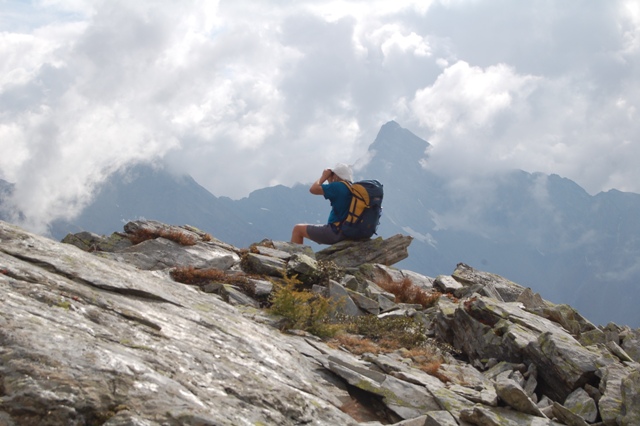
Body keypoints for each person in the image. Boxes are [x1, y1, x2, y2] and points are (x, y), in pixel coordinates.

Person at [291, 163, 353, 245]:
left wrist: (324, 177)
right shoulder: (350, 187)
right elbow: (334, 194)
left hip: (336, 231)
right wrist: (331, 180)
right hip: (348, 230)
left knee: (297, 229)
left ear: (337, 175)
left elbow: (313, 189)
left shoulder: (338, 186)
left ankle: (295, 257)